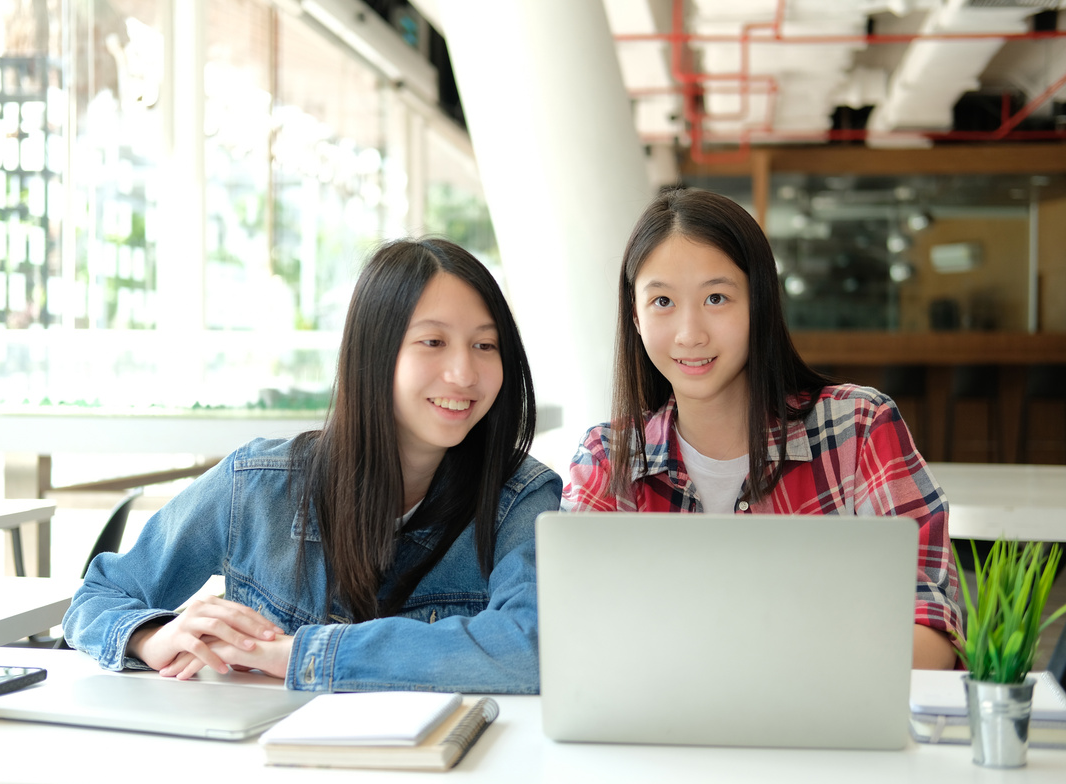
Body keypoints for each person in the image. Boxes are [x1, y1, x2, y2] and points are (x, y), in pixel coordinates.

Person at [63, 238, 562, 692]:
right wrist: (151, 637)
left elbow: (529, 648)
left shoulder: (520, 497)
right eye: (433, 342)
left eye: (485, 345)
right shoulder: (257, 484)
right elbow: (100, 595)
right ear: (374, 353)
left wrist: (298, 656)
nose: (463, 373)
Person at [562, 187, 962, 670]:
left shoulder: (857, 429)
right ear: (635, 317)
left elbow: (934, 627)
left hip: (828, 734)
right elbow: (575, 638)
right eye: (663, 301)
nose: (690, 333)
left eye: (716, 297)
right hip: (665, 738)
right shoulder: (609, 459)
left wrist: (777, 668)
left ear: (760, 303)